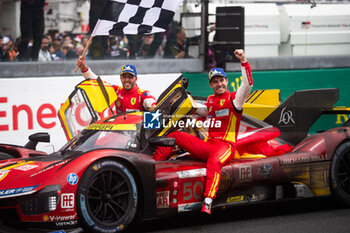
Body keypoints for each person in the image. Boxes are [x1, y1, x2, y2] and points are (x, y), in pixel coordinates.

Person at [153, 49, 253, 215]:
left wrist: (243, 61)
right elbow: (199, 110)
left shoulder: (235, 99)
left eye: (221, 80)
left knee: (214, 160)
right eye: (215, 82)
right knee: (175, 135)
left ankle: (208, 201)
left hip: (226, 147)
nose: (219, 84)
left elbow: (247, 84)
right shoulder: (210, 101)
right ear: (210, 85)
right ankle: (153, 164)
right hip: (207, 145)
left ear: (226, 81)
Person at [76, 56, 157, 113]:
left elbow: (153, 105)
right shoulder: (116, 90)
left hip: (137, 135)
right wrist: (83, 68)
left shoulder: (142, 94)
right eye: (124, 77)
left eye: (130, 77)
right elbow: (97, 82)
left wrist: (152, 107)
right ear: (120, 78)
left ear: (136, 79)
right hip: (120, 134)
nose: (127, 80)